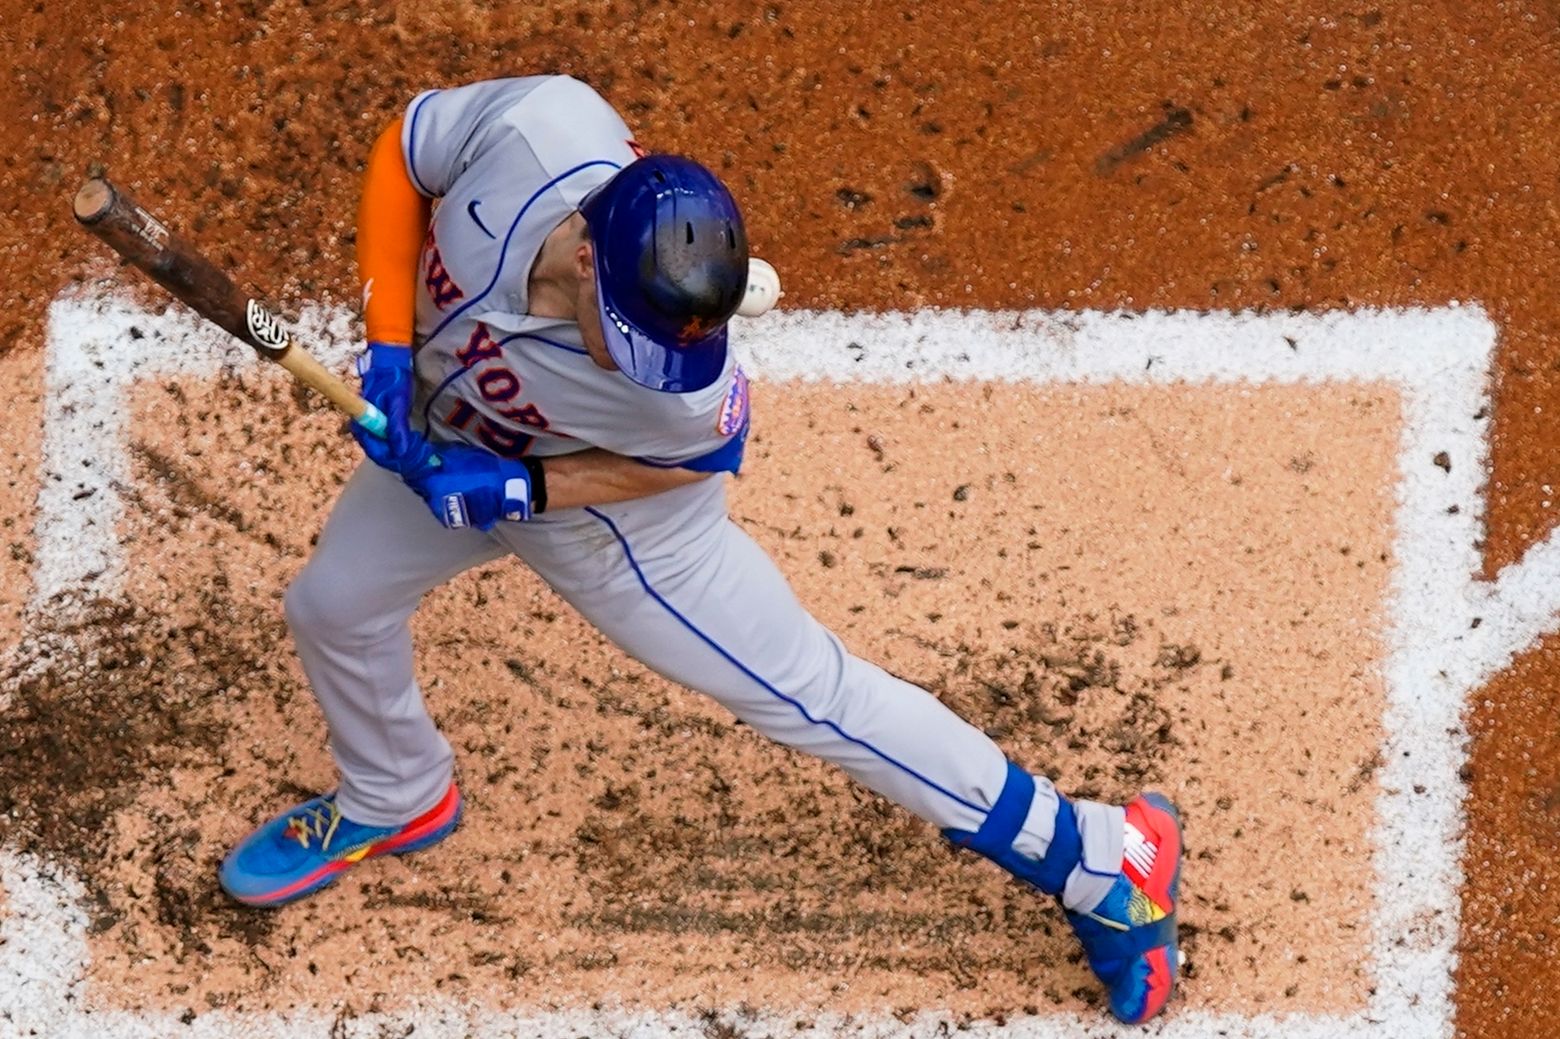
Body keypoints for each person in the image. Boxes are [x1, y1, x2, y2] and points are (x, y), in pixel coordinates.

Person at [215, 75, 1183, 1025]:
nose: (633, 357)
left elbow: (699, 457)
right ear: (589, 245)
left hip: (616, 513)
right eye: (621, 331)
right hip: (442, 441)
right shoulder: (541, 126)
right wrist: (388, 341)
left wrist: (527, 488)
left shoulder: (677, 389)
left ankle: (1105, 860)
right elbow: (405, 151)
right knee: (332, 605)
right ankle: (399, 790)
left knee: (814, 694)